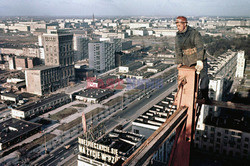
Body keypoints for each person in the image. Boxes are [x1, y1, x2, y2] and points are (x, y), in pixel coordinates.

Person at [175, 16, 210, 101]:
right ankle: (193, 96)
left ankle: (204, 95)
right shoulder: (178, 36)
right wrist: (179, 62)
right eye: (177, 25)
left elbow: (200, 47)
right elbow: (178, 49)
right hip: (188, 60)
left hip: (199, 58)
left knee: (204, 77)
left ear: (185, 24)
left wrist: (199, 60)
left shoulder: (194, 33)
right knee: (192, 80)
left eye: (179, 25)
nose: (178, 27)